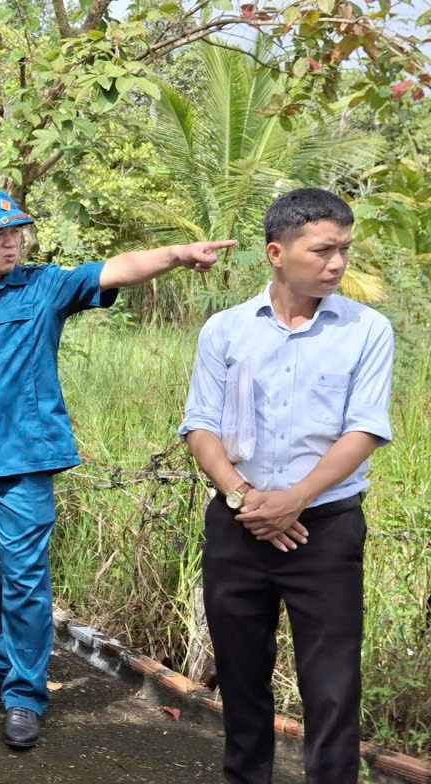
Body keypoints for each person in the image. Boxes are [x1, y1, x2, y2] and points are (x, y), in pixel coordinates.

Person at [0, 189, 233, 749]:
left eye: (16, 232)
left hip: (25, 462)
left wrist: (177, 255)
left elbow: (115, 269)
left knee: (24, 580)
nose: (12, 242)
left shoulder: (45, 287)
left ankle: (25, 694)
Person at [179, 188, 393, 783]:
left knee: (332, 688)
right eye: (322, 250)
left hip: (323, 530)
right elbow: (200, 425)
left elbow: (364, 429)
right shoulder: (225, 330)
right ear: (276, 252)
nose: (337, 263)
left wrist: (294, 500)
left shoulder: (366, 329)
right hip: (238, 525)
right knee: (241, 681)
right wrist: (246, 498)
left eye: (344, 249)